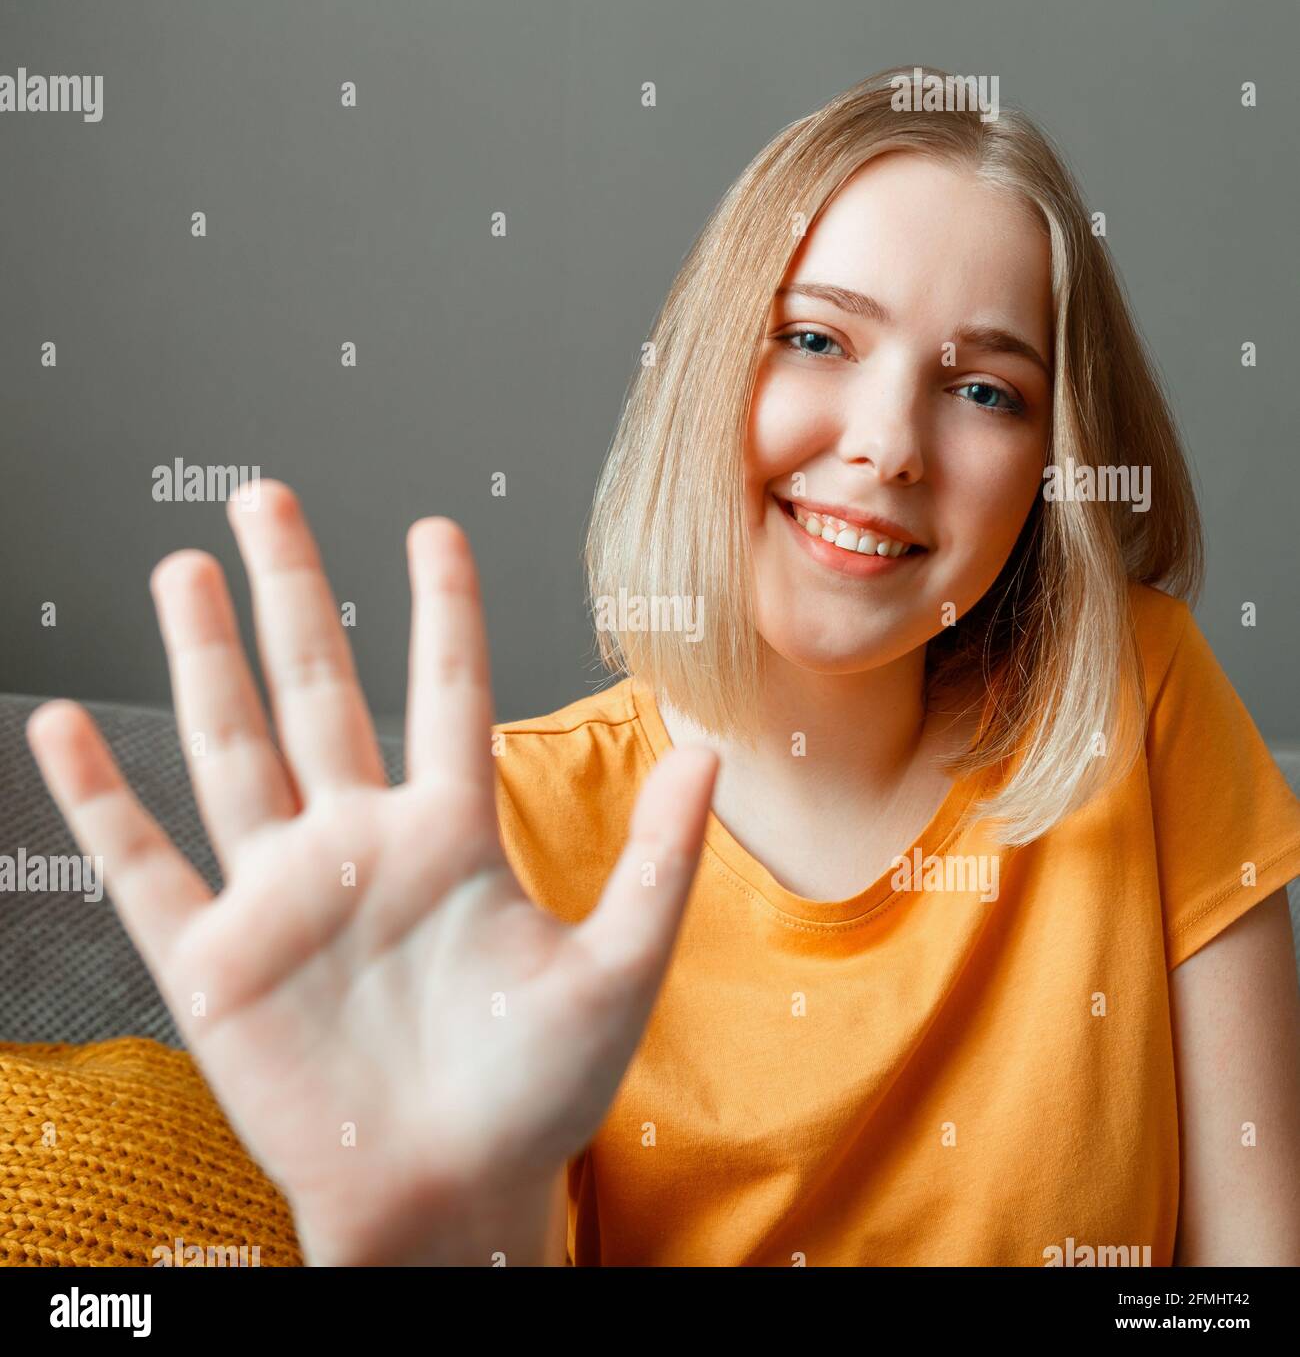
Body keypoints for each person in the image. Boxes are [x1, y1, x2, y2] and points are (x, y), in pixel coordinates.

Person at [21, 66, 1300, 1267]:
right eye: (815, 339)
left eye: (984, 393)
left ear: (1049, 464)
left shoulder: (1132, 689)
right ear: (703, 371)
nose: (887, 444)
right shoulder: (503, 832)